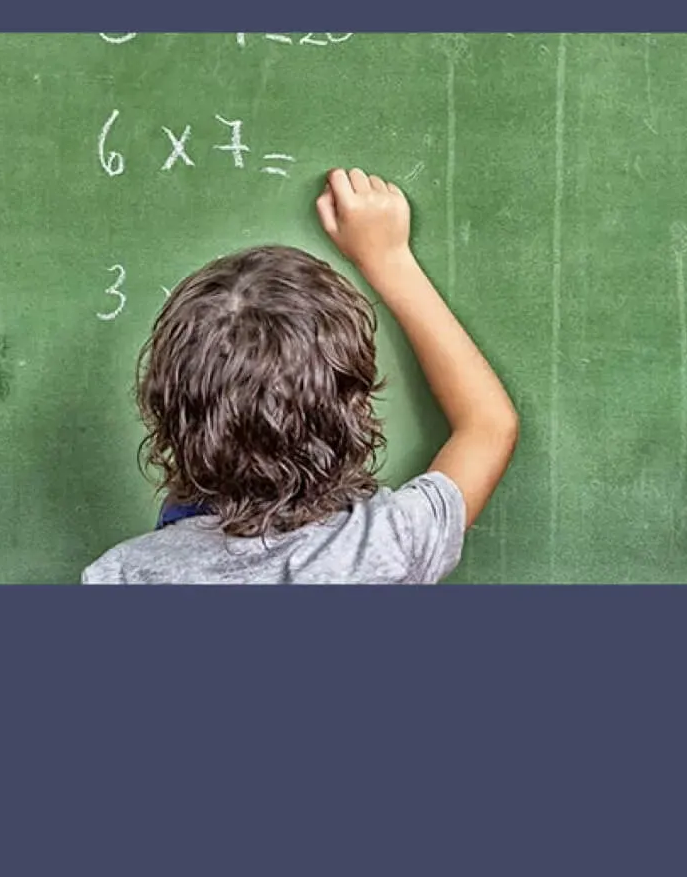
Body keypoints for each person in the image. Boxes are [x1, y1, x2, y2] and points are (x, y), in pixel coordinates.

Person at [83, 168, 518, 584]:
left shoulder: (121, 576)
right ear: (355, 409)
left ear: (166, 411)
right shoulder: (387, 545)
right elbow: (488, 425)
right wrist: (388, 259)